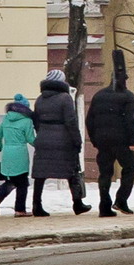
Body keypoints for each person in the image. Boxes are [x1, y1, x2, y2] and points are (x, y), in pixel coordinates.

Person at [31, 69, 91, 216]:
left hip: (44, 138)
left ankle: (36, 205)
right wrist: (77, 141)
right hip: (63, 139)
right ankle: (77, 204)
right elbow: (71, 121)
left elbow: (36, 121)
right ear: (61, 82)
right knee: (71, 170)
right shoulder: (65, 98)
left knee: (40, 174)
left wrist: (43, 133)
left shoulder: (39, 99)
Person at [86, 70, 134, 217]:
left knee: (105, 173)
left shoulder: (99, 95)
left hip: (103, 142)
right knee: (131, 168)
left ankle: (104, 206)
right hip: (121, 142)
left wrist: (95, 140)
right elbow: (131, 120)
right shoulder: (127, 96)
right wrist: (133, 140)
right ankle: (121, 200)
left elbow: (89, 120)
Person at [0, 94, 36, 217]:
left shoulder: (6, 119)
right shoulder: (27, 121)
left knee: (11, 181)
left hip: (7, 153)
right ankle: (20, 210)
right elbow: (30, 138)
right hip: (19, 153)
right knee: (22, 183)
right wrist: (40, 145)